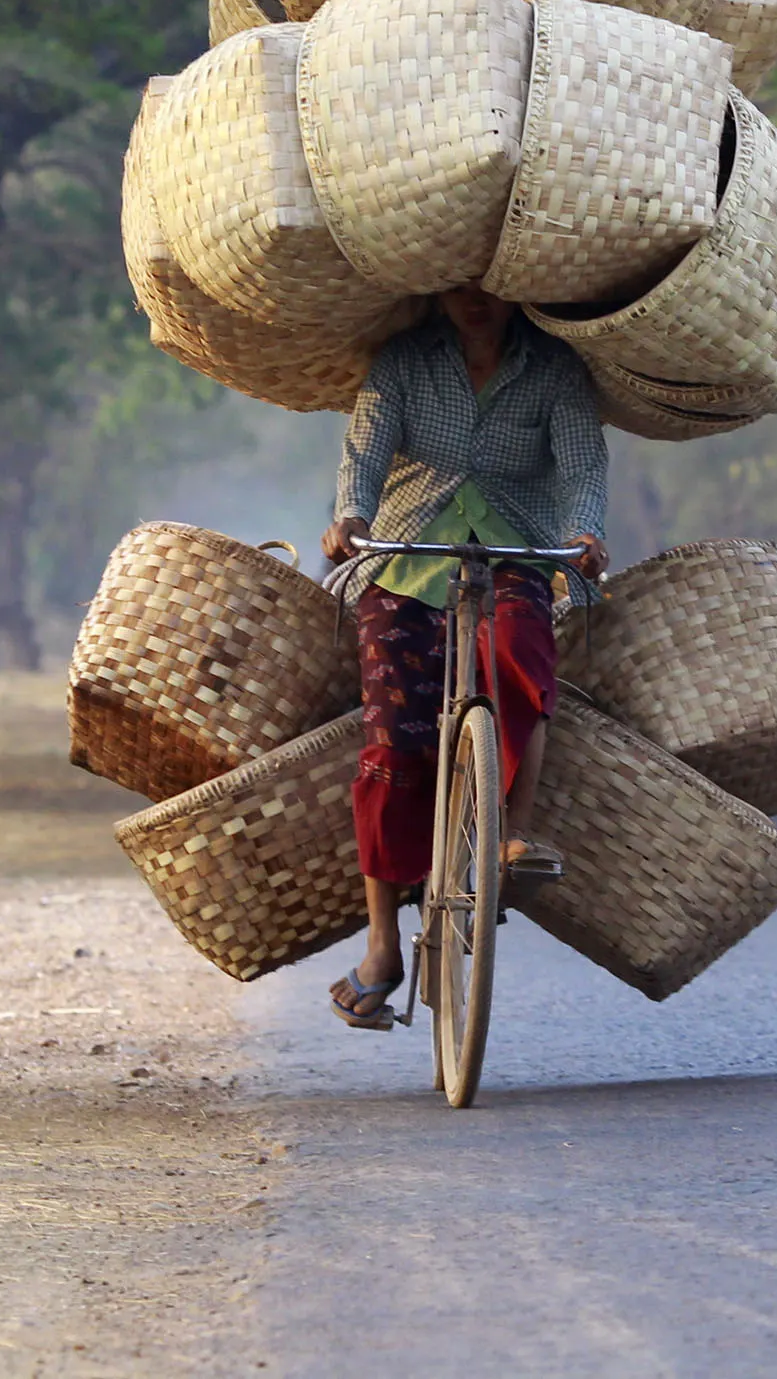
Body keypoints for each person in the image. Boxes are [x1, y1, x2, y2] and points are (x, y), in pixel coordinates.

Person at [319, 284, 607, 1031]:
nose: (473, 300)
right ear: (437, 288)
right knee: (389, 733)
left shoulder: (554, 369)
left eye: (489, 289)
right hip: (409, 553)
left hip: (515, 549)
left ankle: (512, 830)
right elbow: (367, 449)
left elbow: (582, 463)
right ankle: (383, 944)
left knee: (518, 651)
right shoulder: (404, 362)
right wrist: (350, 515)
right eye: (458, 287)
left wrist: (584, 530)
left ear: (516, 291)